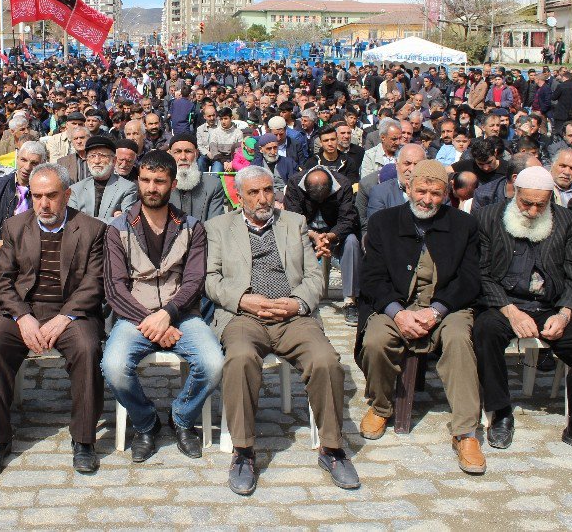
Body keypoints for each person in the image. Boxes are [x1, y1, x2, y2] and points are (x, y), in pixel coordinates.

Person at [205, 165, 359, 496]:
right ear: (240, 196)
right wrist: (245, 300)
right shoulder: (219, 227)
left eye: (267, 191)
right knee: (241, 358)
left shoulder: (294, 223)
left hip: (293, 315)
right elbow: (211, 279)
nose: (262, 198)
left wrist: (298, 303)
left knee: (326, 360)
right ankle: (244, 452)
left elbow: (314, 275)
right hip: (245, 316)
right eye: (254, 193)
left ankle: (332, 450)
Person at [473, 166, 572, 465]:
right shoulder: (488, 217)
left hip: (549, 305)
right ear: (515, 193)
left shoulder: (565, 220)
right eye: (527, 203)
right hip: (505, 303)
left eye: (542, 203)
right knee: (485, 333)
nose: (534, 210)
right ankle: (500, 412)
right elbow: (483, 274)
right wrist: (511, 313)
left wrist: (565, 314)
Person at [0, 163, 106, 476]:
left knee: (87, 349)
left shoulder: (92, 229)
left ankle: (84, 440)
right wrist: (23, 317)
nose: (44, 204)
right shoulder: (15, 226)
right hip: (23, 309)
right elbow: (3, 281)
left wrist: (65, 317)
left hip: (71, 311)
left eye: (51, 196)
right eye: (36, 196)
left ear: (67, 195)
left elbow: (94, 282)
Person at [356, 160, 486, 474]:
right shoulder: (383, 223)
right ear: (409, 188)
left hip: (446, 307)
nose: (426, 199)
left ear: (447, 194)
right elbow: (372, 278)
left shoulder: (464, 225)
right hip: (395, 305)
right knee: (375, 340)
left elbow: (469, 279)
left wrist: (436, 310)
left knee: (458, 339)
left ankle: (465, 431)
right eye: (421, 191)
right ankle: (381, 405)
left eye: (436, 193)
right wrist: (398, 314)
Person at [102, 151, 222, 462]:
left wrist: (167, 316)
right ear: (137, 181)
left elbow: (195, 282)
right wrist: (152, 322)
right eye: (145, 180)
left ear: (172, 184)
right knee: (113, 367)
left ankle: (182, 417)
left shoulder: (192, 227)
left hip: (182, 315)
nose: (151, 187)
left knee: (212, 365)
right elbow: (114, 288)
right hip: (133, 316)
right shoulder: (118, 228)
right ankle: (145, 422)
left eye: (159, 181)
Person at [284, 167, 362, 326]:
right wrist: (312, 235)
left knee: (352, 242)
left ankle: (350, 300)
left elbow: (348, 219)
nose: (320, 203)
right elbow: (292, 218)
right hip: (305, 233)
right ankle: (298, 296)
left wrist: (329, 237)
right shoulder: (294, 183)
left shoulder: (343, 184)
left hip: (334, 233)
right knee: (289, 240)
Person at [68, 135, 137, 223]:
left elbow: (126, 222)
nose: (96, 161)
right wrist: (112, 220)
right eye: (92, 156)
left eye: (102, 156)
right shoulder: (76, 189)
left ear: (114, 160)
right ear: (87, 160)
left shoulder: (128, 188)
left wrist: (85, 220)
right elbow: (72, 222)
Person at [0, 141, 47, 234]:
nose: (27, 167)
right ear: (17, 158)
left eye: (34, 163)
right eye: (23, 160)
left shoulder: (47, 191)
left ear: (42, 164)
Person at [168, 133, 227, 223]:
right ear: (170, 154)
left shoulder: (213, 186)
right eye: (178, 152)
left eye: (188, 151)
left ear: (196, 154)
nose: (183, 157)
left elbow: (215, 226)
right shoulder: (162, 185)